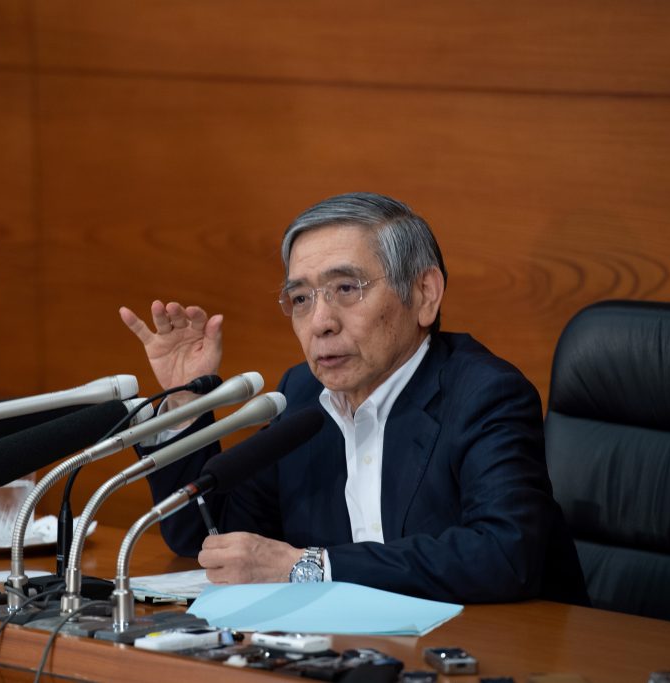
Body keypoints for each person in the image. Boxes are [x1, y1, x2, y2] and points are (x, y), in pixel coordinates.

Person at [119, 192, 587, 604]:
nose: (321, 321)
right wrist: (187, 408)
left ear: (425, 294)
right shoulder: (301, 395)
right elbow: (206, 537)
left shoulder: (484, 395)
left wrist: (311, 567)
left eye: (346, 289)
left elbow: (505, 553)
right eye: (301, 298)